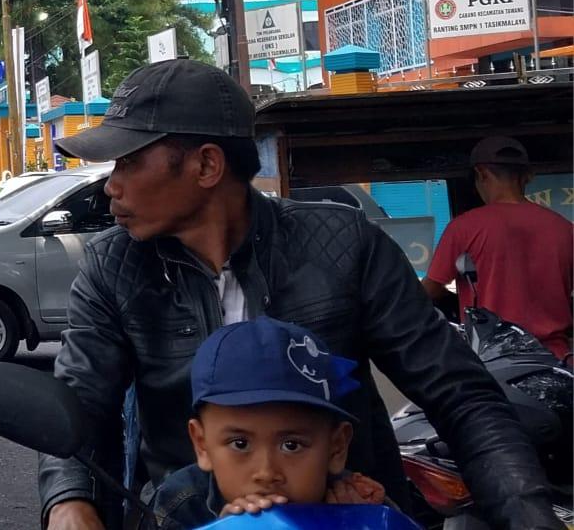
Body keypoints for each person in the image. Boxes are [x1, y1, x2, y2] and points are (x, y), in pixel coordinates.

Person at [36, 59, 560, 530]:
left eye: (127, 162)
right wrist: (68, 502)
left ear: (206, 166)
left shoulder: (345, 246)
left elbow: (459, 395)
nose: (110, 186)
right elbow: (81, 407)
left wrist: (526, 512)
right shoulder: (112, 266)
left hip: (348, 519)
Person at [147, 318, 392, 529]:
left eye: (292, 445)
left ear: (336, 447)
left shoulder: (361, 504)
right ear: (202, 445)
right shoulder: (180, 505)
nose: (266, 473)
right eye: (240, 444)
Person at [422, 136, 572, 361]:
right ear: (528, 176)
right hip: (556, 362)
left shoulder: (464, 228)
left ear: (481, 174)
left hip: (494, 362)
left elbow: (428, 292)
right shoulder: (564, 229)